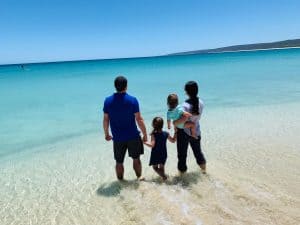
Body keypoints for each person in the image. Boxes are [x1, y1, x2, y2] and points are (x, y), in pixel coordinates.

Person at [103, 76, 148, 180]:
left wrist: (106, 133)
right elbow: (139, 119)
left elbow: (106, 119)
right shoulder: (132, 100)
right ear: (126, 86)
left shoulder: (108, 101)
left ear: (115, 86)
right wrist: (145, 134)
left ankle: (121, 182)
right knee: (136, 159)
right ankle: (139, 178)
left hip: (118, 138)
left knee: (119, 162)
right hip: (133, 136)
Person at [173, 81, 206, 174]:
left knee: (182, 156)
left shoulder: (184, 106)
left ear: (186, 92)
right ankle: (204, 172)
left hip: (184, 133)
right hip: (196, 131)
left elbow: (181, 122)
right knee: (198, 153)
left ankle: (182, 177)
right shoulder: (201, 102)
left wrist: (174, 122)